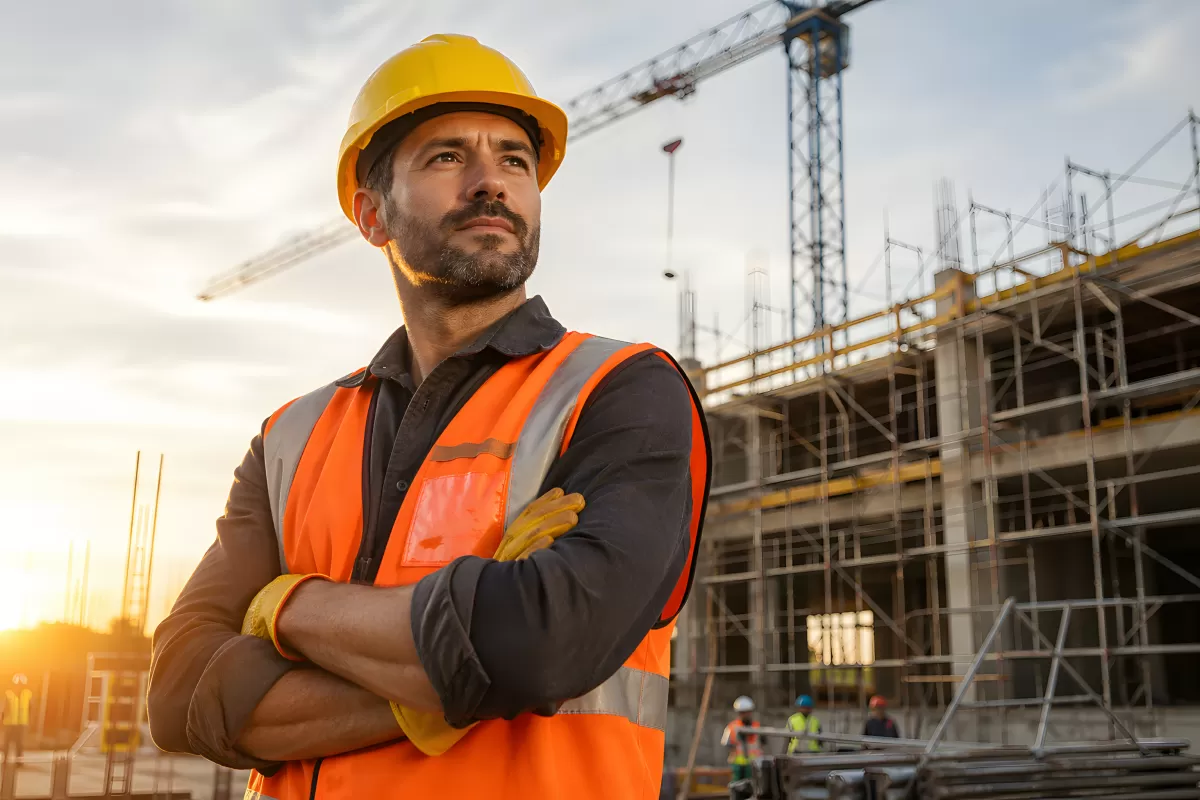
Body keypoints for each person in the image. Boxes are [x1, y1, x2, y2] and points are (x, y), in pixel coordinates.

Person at [146, 33, 711, 800]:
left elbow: (543, 645)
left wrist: (282, 604)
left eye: (515, 159)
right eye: (447, 157)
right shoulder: (289, 438)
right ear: (371, 214)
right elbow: (180, 694)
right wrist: (460, 669)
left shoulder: (620, 389)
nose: (492, 183)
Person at [721, 696, 763, 783]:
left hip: (754, 764)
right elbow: (728, 744)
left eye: (747, 712)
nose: (745, 715)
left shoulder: (757, 727)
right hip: (737, 765)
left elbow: (762, 744)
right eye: (742, 712)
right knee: (737, 788)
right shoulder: (732, 727)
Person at [2, 674, 31, 763]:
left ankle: (19, 761)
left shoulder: (27, 694)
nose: (19, 686)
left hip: (21, 723)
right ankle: (5, 759)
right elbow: (4, 708)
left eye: (21, 684)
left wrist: (29, 720)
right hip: (9, 723)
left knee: (19, 743)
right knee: (7, 742)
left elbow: (30, 708)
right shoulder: (9, 694)